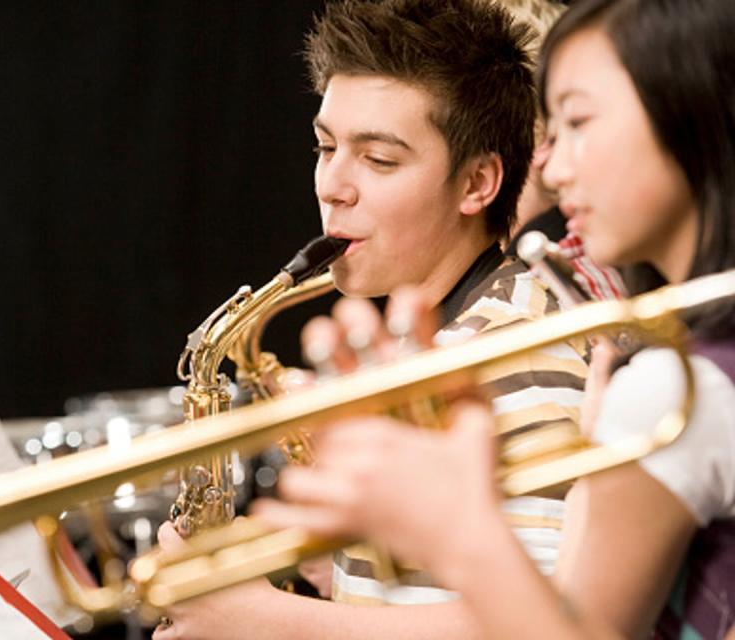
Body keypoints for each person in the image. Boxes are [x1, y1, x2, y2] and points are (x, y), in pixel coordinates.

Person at [256, 0, 735, 638]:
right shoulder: (663, 368)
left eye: (580, 123)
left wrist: (265, 620)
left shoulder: (660, 384)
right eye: (324, 147)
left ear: (691, 116)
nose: (557, 171)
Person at [153, 1, 588, 638]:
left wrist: (261, 620)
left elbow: (546, 627)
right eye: (326, 146)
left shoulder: (516, 359)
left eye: (378, 160)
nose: (332, 185)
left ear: (477, 184)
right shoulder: (452, 336)